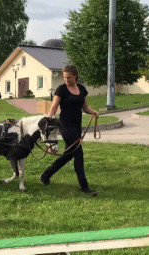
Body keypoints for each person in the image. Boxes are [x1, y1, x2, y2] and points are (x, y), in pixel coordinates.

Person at [39, 65, 99, 196]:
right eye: (65, 77)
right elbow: (54, 106)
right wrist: (49, 119)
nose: (66, 79)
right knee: (79, 153)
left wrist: (93, 112)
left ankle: (45, 175)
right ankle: (85, 187)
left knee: (68, 155)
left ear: (76, 76)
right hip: (65, 125)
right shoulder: (61, 89)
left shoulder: (82, 89)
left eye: (69, 77)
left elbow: (85, 107)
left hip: (77, 125)